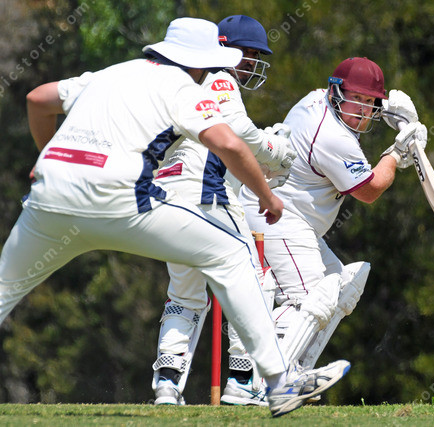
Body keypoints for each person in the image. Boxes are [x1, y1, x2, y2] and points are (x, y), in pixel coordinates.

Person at [0, 17, 349, 417]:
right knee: (233, 254)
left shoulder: (110, 73)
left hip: (49, 196)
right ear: (200, 61)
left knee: (5, 288)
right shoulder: (185, 86)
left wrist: (51, 156)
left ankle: (183, 382)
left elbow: (37, 99)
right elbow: (230, 143)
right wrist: (267, 196)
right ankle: (276, 385)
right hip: (121, 202)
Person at [233, 57, 427, 400]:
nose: (362, 110)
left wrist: (389, 111)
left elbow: (357, 107)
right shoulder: (333, 137)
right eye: (356, 99)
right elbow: (369, 191)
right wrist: (397, 153)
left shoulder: (317, 98)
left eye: (369, 103)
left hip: (288, 217)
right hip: (279, 216)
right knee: (312, 298)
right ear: (336, 93)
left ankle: (295, 372)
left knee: (343, 287)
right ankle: (264, 384)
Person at [149, 15, 294, 406]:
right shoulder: (219, 77)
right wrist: (275, 151)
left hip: (169, 199)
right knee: (255, 286)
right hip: (209, 198)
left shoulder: (176, 81)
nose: (252, 63)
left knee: (185, 295)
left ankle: (167, 385)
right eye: (247, 54)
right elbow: (238, 132)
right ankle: (243, 382)